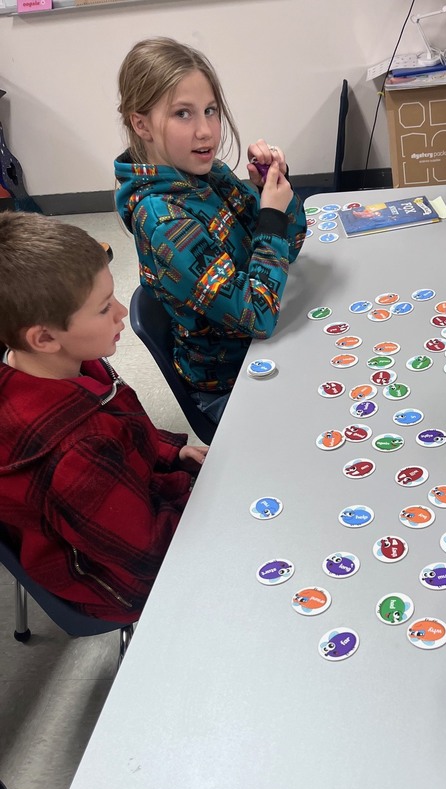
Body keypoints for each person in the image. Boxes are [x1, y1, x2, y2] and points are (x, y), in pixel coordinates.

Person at [0, 212, 208, 623]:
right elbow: (147, 562)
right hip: (121, 581)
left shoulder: (61, 363)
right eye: (102, 309)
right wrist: (198, 499)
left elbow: (124, 430)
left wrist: (171, 455)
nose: (119, 314)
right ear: (43, 337)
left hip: (129, 511)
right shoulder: (76, 451)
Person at [115, 37, 306, 426]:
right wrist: (270, 218)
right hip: (231, 386)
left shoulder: (208, 173)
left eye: (210, 110)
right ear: (141, 124)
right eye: (183, 114)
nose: (206, 131)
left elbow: (293, 245)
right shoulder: (163, 220)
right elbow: (257, 315)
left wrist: (269, 190)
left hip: (261, 350)